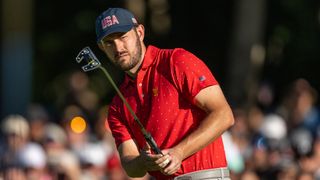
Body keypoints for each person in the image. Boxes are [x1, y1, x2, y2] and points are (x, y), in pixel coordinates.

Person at [95, 7, 235, 180]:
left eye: (123, 37)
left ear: (139, 32)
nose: (118, 47)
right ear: (102, 48)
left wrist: (179, 152)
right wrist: (142, 162)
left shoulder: (176, 61)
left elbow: (224, 115)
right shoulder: (118, 104)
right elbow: (131, 167)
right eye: (109, 42)